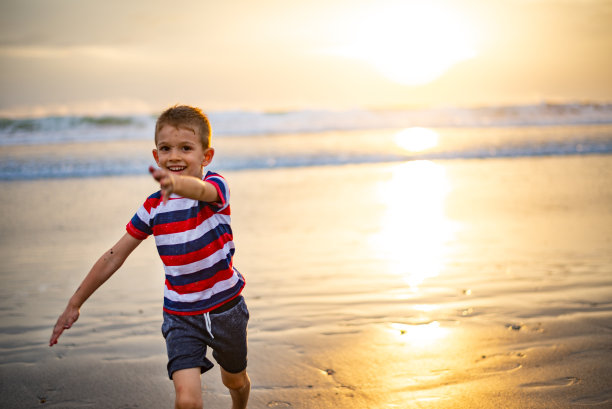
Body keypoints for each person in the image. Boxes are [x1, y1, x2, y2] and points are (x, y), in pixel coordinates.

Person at [49, 105, 250, 409]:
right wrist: (74, 304)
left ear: (206, 156)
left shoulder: (216, 187)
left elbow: (202, 190)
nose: (174, 156)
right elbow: (113, 256)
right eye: (165, 148)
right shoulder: (153, 208)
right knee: (186, 400)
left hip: (225, 309)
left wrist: (177, 184)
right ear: (156, 156)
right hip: (180, 315)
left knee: (234, 380)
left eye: (186, 148)